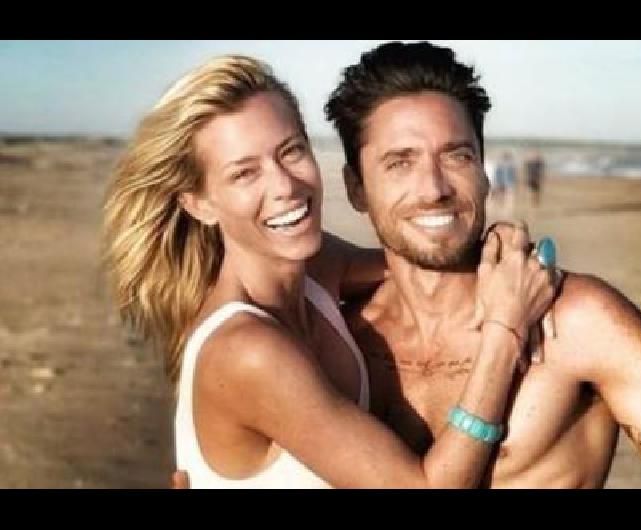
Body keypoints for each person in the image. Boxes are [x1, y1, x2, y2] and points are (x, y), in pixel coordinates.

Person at [102, 55, 560, 488]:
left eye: (290, 152)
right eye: (245, 173)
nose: (284, 186)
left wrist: (499, 246)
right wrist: (505, 332)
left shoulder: (316, 270)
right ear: (199, 203)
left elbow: (419, 258)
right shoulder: (248, 350)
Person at [323, 41, 641, 488]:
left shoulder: (576, 319)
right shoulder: (341, 340)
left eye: (458, 156)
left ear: (483, 173)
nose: (434, 189)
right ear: (356, 188)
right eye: (400, 163)